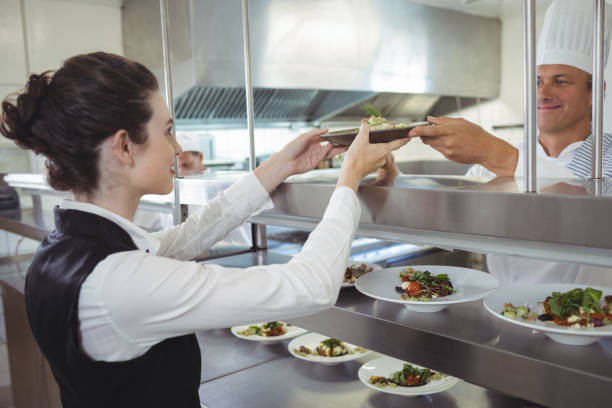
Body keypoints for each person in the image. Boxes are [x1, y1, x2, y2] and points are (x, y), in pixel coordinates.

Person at [0, 52, 408, 407]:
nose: (177, 149)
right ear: (123, 147)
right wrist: (349, 178)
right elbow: (310, 286)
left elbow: (188, 235)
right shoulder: (117, 282)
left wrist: (280, 167)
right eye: (167, 131)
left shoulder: (65, 250)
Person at [408, 0, 612, 287]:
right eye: (538, 81)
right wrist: (393, 177)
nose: (543, 93)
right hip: (500, 314)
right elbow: (451, 229)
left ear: (596, 92)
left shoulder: (607, 160)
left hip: (583, 323)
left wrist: (492, 152)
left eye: (561, 81)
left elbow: (583, 216)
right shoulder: (500, 158)